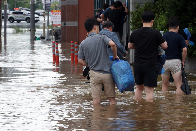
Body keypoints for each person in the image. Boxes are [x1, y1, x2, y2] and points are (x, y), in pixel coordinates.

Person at [128, 11, 167, 102]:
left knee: (139, 88)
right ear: (152, 21)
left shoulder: (135, 32)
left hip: (138, 64)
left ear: (142, 21)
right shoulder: (156, 33)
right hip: (150, 65)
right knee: (149, 91)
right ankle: (148, 113)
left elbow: (130, 46)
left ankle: (139, 111)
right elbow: (165, 46)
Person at [78, 17, 118, 105]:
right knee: (112, 100)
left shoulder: (83, 43)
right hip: (107, 73)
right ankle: (111, 116)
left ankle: (96, 118)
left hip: (94, 74)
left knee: (96, 101)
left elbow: (80, 60)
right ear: (95, 27)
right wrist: (115, 55)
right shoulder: (102, 37)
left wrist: (89, 64)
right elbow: (113, 44)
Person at [161, 17, 187, 94]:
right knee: (179, 85)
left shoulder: (163, 36)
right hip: (175, 61)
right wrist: (183, 61)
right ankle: (177, 105)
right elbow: (185, 49)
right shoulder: (179, 37)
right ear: (178, 27)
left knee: (164, 85)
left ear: (168, 27)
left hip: (164, 62)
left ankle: (164, 104)